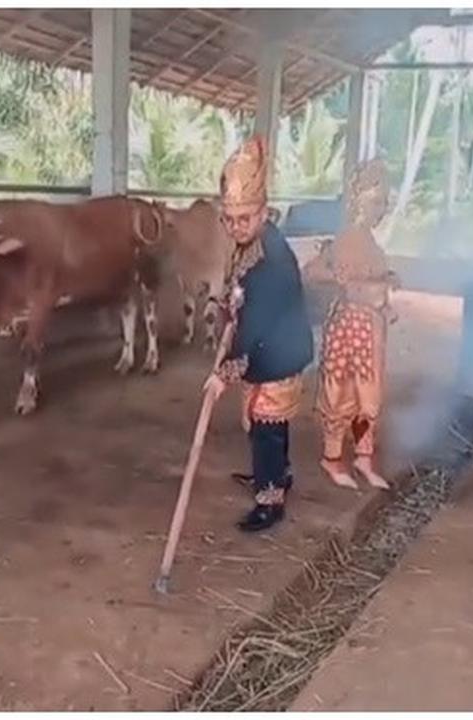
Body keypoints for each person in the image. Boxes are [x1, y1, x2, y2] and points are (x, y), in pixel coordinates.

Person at [202, 135, 314, 532]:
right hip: (271, 347)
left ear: (264, 212)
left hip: (277, 352)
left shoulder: (273, 262)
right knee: (266, 423)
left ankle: (271, 500)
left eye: (244, 218)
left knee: (266, 426)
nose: (236, 227)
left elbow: (255, 329)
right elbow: (241, 294)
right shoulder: (252, 243)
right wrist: (229, 302)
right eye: (229, 220)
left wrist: (223, 376)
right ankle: (277, 475)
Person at [303, 159, 397, 490]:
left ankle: (363, 456)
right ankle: (331, 458)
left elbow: (373, 279)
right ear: (360, 202)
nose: (382, 209)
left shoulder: (370, 242)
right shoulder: (346, 240)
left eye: (384, 202)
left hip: (371, 330)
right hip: (349, 328)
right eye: (377, 202)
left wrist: (386, 281)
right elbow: (313, 273)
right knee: (341, 393)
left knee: (368, 398)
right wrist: (343, 281)